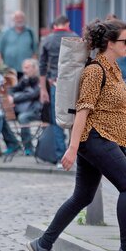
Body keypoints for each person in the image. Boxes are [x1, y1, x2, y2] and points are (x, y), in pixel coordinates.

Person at [27, 17, 126, 251]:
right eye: (125, 41)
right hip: (96, 138)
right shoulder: (94, 71)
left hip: (103, 137)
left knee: (82, 196)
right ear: (109, 43)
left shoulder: (114, 68)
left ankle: (43, 244)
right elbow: (84, 111)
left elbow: (117, 107)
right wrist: (73, 148)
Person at [39, 15, 74, 165]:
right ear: (67, 23)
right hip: (73, 84)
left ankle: (61, 157)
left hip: (55, 83)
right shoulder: (75, 37)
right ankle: (75, 155)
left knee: (57, 120)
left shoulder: (47, 40)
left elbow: (42, 66)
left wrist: (43, 89)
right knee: (76, 119)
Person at [11, 59, 42, 155]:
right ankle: (13, 145)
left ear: (34, 68)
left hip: (37, 111)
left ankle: (28, 148)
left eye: (27, 68)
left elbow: (34, 95)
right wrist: (9, 96)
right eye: (23, 68)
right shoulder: (25, 80)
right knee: (2, 116)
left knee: (23, 117)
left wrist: (15, 99)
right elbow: (12, 89)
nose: (24, 70)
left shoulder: (40, 80)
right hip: (24, 110)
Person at [0, 10, 36, 76]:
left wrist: (34, 67)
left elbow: (34, 52)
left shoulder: (30, 32)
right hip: (9, 69)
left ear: (24, 19)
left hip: (26, 70)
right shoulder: (6, 32)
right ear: (13, 20)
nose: (19, 20)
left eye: (21, 18)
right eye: (17, 18)